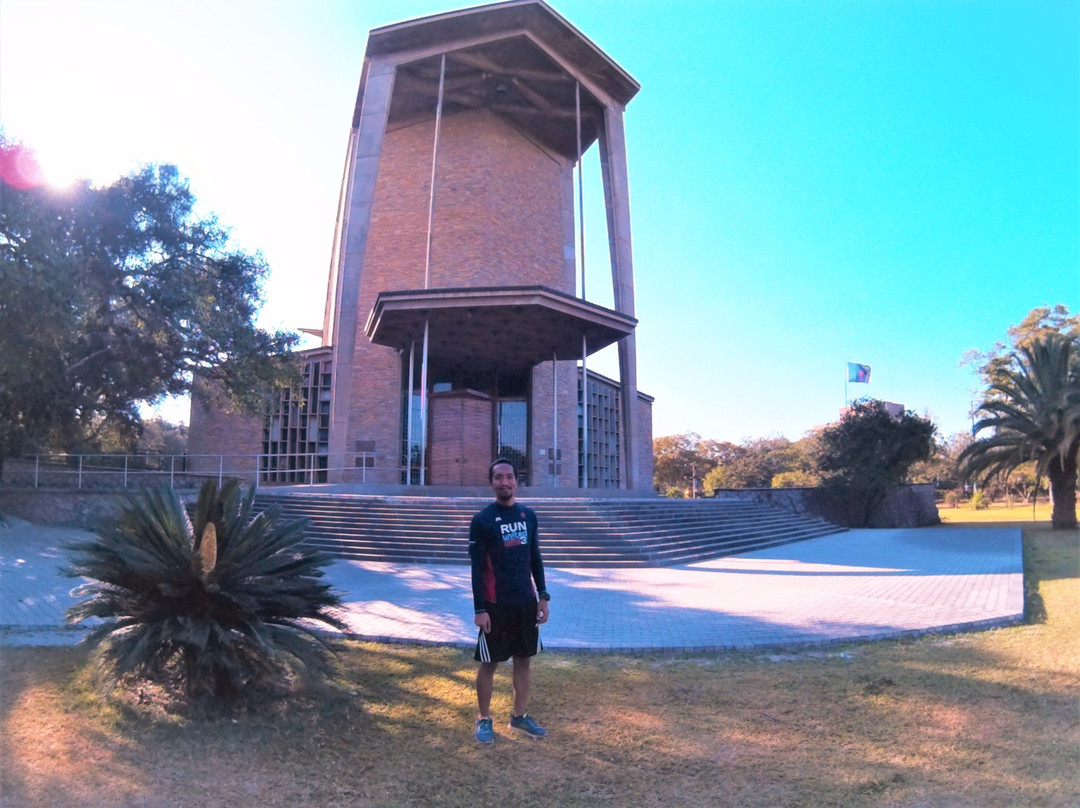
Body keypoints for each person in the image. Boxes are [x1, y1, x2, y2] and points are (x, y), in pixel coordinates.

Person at [469, 457, 551, 744]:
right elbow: (477, 569)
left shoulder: (528, 515)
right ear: (491, 482)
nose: (504, 482)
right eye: (498, 477)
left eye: (509, 477)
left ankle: (518, 716)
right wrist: (480, 609)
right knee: (489, 663)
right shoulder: (482, 521)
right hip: (495, 605)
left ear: (517, 481)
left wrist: (542, 596)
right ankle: (483, 719)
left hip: (525, 604)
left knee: (523, 661)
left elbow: (535, 558)